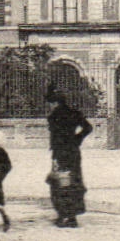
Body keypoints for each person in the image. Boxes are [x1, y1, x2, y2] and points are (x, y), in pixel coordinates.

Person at [45, 84, 92, 228]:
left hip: (60, 153)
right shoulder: (74, 113)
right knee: (73, 182)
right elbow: (88, 127)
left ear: (55, 103)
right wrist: (77, 139)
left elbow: (55, 137)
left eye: (50, 104)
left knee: (60, 183)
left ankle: (63, 215)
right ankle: (72, 217)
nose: (49, 107)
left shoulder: (54, 116)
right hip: (73, 152)